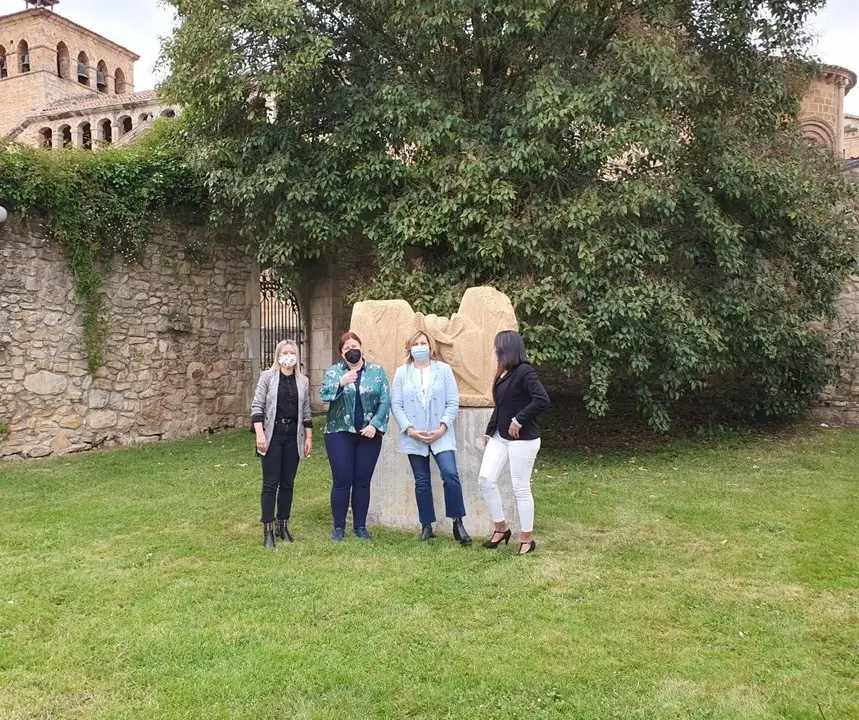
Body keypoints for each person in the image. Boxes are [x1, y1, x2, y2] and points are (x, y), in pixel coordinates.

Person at [391, 331, 472, 544]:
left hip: (440, 433)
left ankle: (458, 522)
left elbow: (452, 401)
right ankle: (426, 526)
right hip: (414, 435)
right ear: (410, 348)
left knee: (450, 474)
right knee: (422, 481)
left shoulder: (443, 370)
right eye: (416, 344)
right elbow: (396, 405)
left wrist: (443, 427)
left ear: (430, 346)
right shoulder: (401, 373)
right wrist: (409, 430)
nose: (420, 347)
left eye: (423, 343)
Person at [478, 330, 550, 555]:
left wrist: (519, 420)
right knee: (485, 479)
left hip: (523, 438)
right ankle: (501, 527)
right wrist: (489, 433)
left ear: (506, 348)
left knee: (520, 486)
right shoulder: (503, 373)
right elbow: (500, 407)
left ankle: (527, 539)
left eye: (497, 347)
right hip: (499, 436)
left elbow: (542, 400)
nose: (494, 351)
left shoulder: (525, 372)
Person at [320, 331, 391, 541]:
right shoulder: (334, 372)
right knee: (342, 480)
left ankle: (360, 526)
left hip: (369, 434)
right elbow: (324, 395)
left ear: (361, 347)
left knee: (362, 481)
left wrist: (375, 425)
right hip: (339, 432)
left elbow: (385, 400)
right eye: (347, 348)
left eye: (354, 346)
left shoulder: (377, 371)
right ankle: (339, 527)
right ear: (341, 353)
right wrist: (340, 383)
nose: (352, 350)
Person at [250, 339, 313, 548]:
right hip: (272, 434)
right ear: (278, 355)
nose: (288, 356)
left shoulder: (303, 381)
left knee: (288, 483)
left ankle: (283, 525)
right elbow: (257, 406)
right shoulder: (267, 377)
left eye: (292, 352)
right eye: (284, 352)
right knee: (270, 483)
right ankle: (268, 529)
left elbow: (306, 411)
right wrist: (260, 435)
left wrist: (309, 437)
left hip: (293, 435)